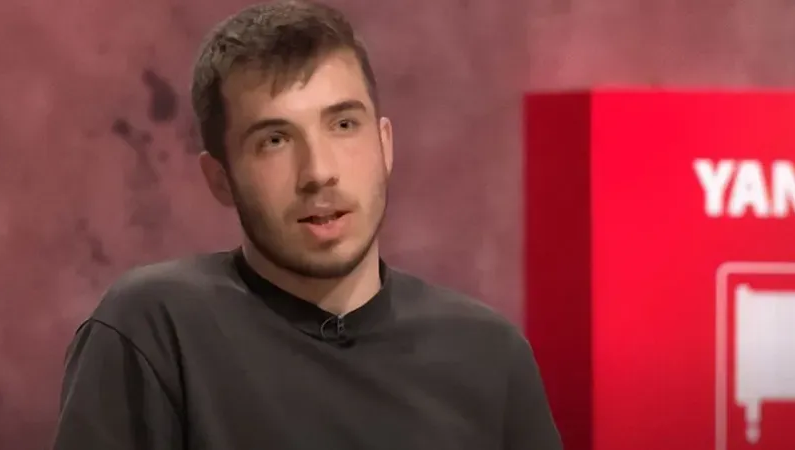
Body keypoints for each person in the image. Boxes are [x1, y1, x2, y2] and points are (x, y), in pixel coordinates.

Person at [51, 1, 562, 449]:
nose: (318, 172)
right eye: (274, 140)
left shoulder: (491, 357)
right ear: (220, 178)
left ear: (385, 145)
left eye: (343, 124)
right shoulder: (155, 329)